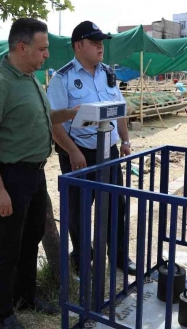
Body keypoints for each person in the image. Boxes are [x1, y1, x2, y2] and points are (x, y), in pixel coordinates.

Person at [0, 18, 79, 329]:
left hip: (34, 174)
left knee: (30, 238)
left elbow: (44, 118)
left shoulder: (31, 78)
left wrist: (71, 114)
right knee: (7, 246)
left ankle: (25, 297)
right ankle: (2, 314)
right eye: (42, 49)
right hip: (11, 176)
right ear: (22, 47)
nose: (47, 54)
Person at [46, 20, 137, 277]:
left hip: (108, 152)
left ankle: (118, 257)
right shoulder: (62, 79)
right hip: (79, 153)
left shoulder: (108, 73)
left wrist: (125, 141)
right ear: (78, 46)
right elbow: (54, 122)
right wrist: (72, 151)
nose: (100, 47)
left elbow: (119, 110)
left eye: (102, 42)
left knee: (115, 205)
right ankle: (83, 260)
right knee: (79, 211)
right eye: (94, 42)